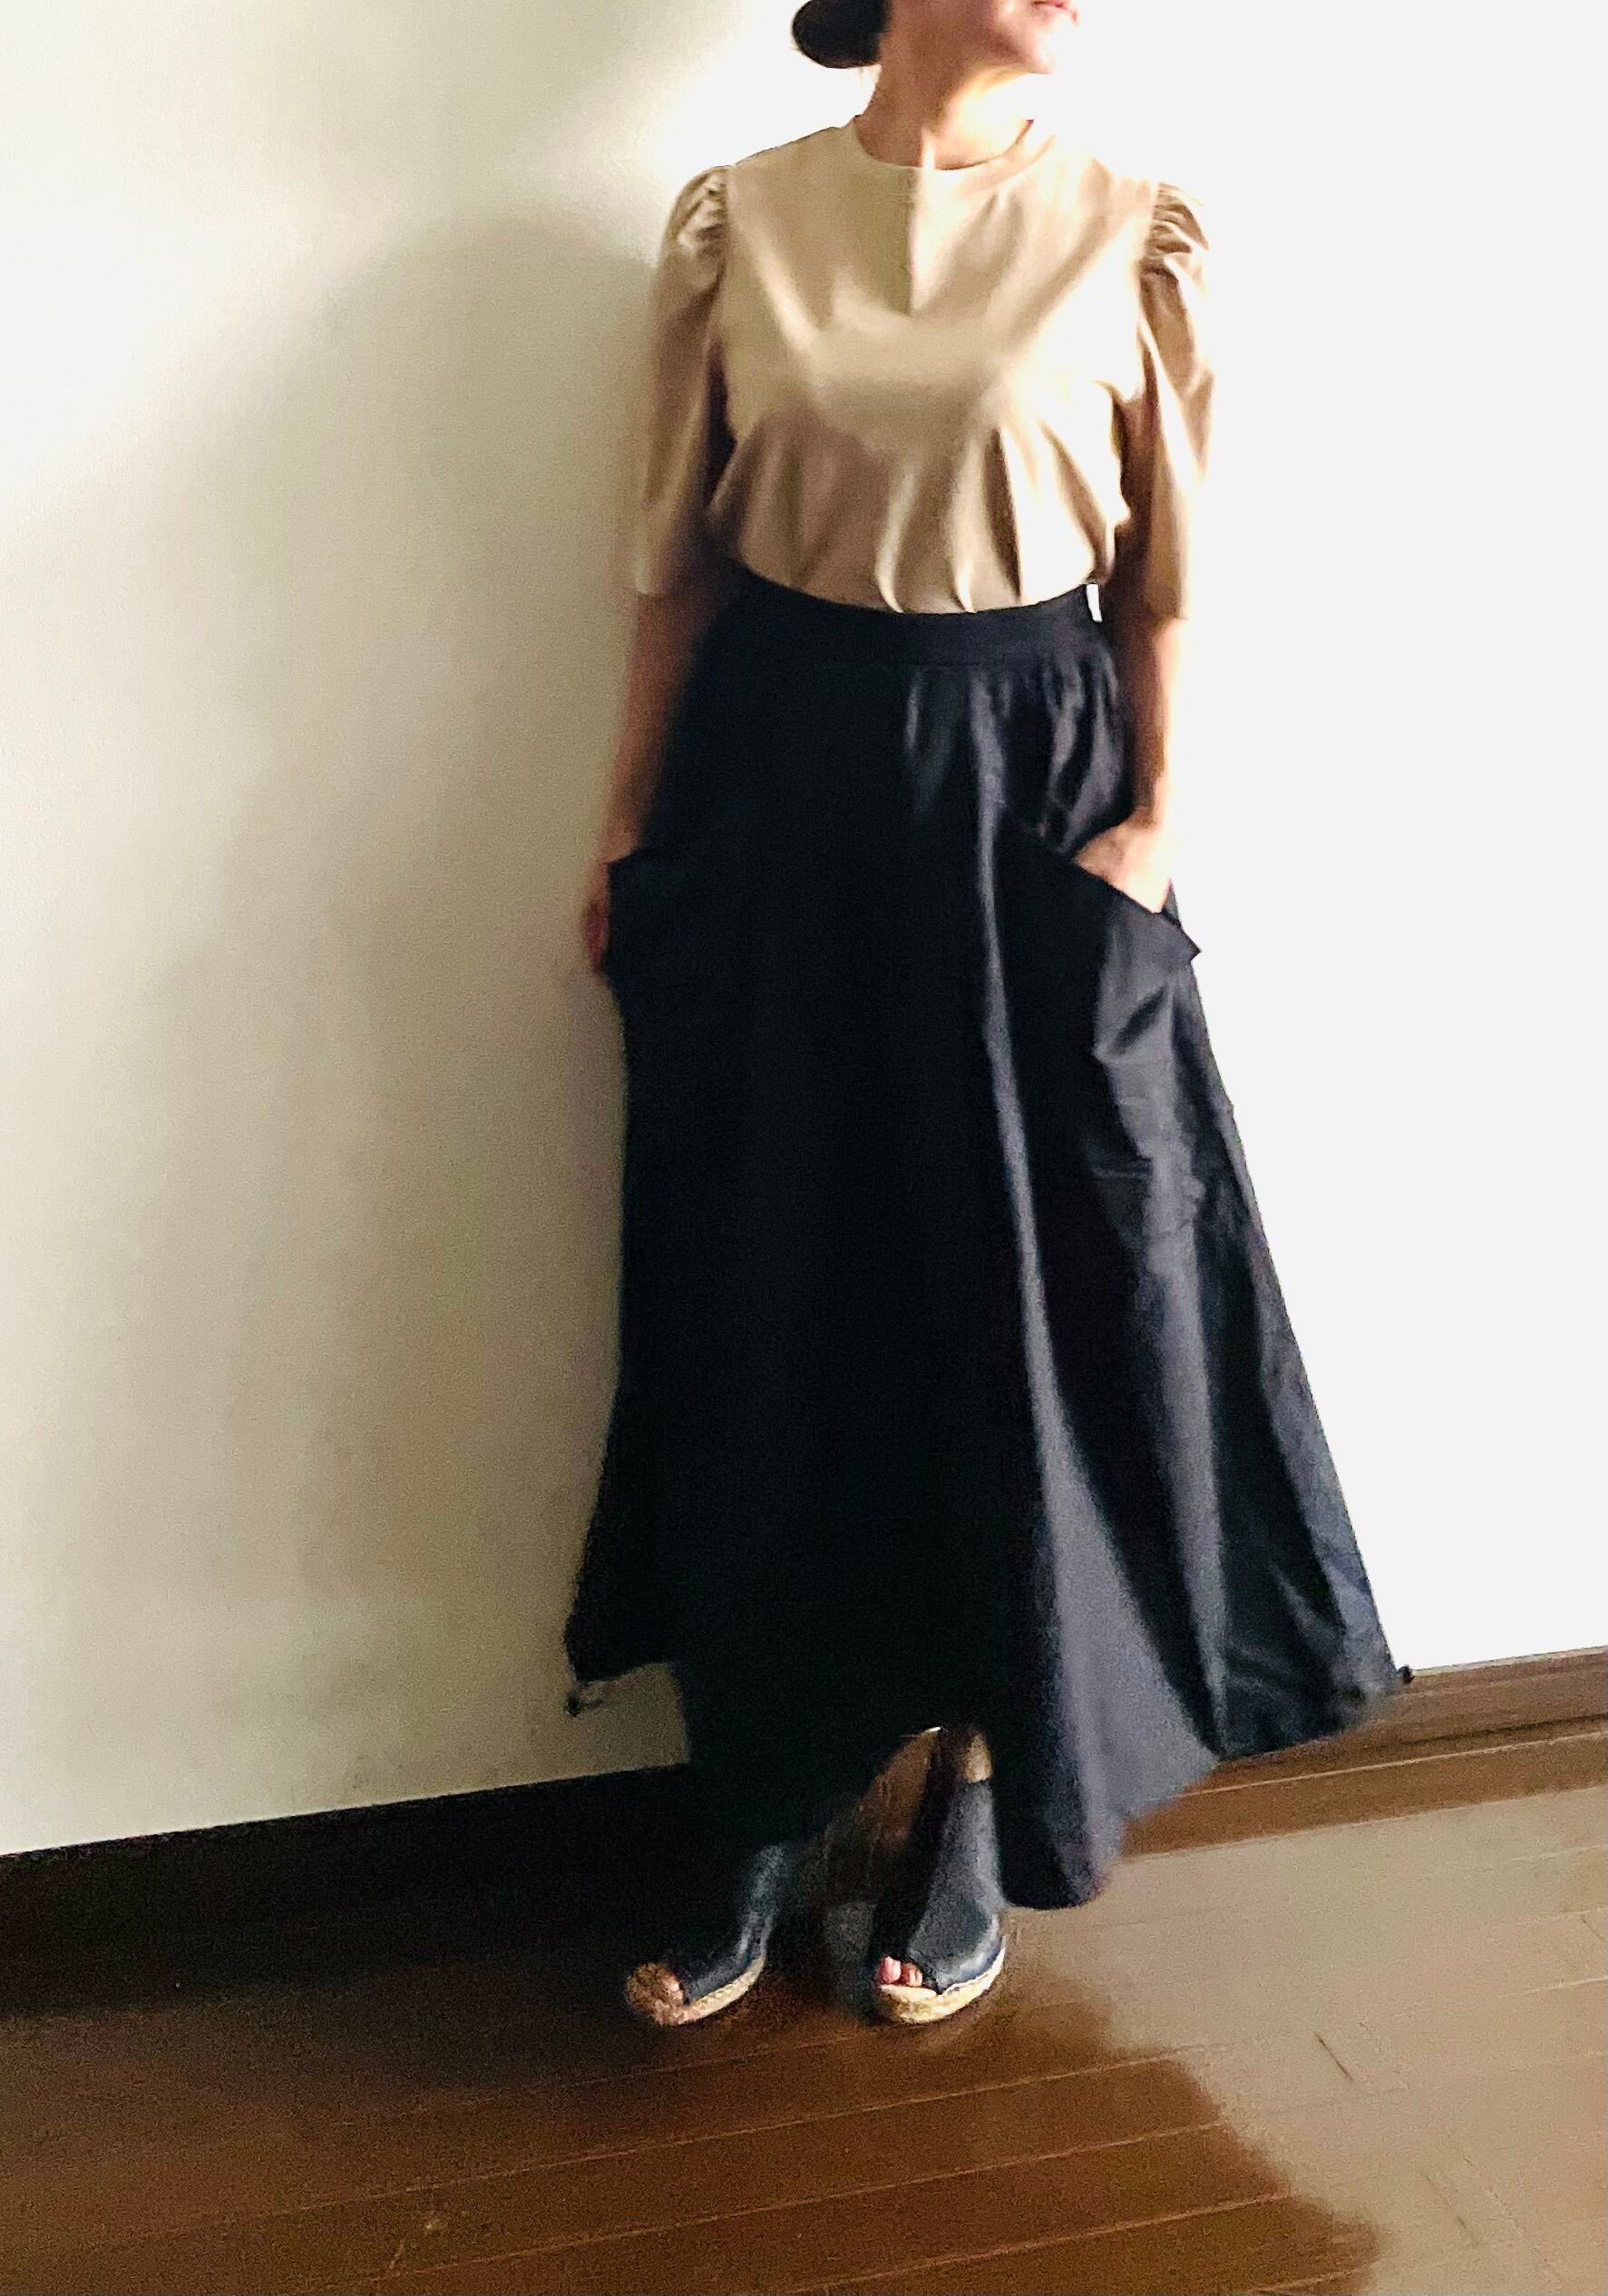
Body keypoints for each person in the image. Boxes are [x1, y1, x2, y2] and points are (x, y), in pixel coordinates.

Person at [566, 0, 1408, 2030]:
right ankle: (761, 1794)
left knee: (1016, 1303)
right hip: (776, 783)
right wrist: (622, 820)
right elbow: (675, 565)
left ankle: (970, 1775)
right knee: (767, 1288)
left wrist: (1156, 828)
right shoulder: (737, 222)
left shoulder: (1134, 230)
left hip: (1029, 796)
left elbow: (1165, 583)